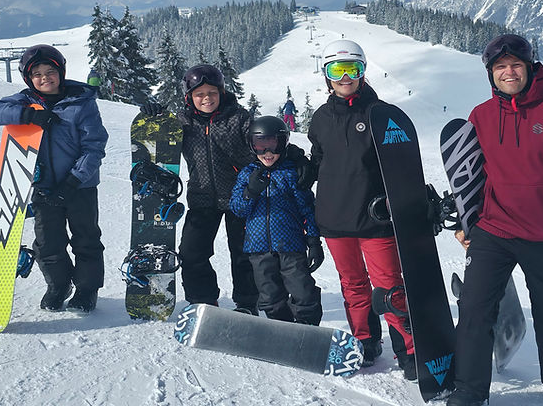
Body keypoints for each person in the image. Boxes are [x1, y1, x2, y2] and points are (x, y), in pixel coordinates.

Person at [446, 34, 543, 406]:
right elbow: (471, 174)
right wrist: (464, 217)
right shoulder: (481, 115)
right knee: (475, 308)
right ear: (491, 75)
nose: (508, 72)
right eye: (500, 68)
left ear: (530, 68)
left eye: (515, 65)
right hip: (494, 230)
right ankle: (470, 389)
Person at [308, 39, 417, 378]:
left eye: (351, 69)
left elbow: (402, 165)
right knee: (353, 284)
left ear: (363, 71)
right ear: (326, 75)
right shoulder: (321, 118)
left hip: (374, 219)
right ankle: (365, 340)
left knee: (389, 286)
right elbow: (318, 162)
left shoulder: (380, 114)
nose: (344, 77)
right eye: (336, 70)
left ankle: (409, 349)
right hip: (334, 218)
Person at [0, 44, 108, 313]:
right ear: (29, 79)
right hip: (43, 187)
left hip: (80, 187)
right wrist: (27, 114)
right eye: (37, 74)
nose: (45, 78)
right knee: (47, 243)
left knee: (85, 239)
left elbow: (95, 146)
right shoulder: (26, 100)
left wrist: (74, 181)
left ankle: (86, 290)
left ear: (61, 72)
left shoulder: (81, 102)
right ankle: (58, 286)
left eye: (50, 71)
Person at [174, 64, 260, 312]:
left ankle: (247, 302)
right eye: (199, 94)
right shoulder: (184, 121)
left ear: (221, 92)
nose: (207, 99)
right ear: (189, 96)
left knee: (243, 253)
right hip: (202, 197)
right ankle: (203, 299)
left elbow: (262, 146)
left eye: (212, 92)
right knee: (192, 252)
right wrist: (155, 116)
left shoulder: (239, 118)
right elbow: (163, 141)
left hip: (240, 197)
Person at [229, 116, 324, 323]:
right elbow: (237, 209)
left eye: (273, 145)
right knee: (269, 295)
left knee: (302, 290)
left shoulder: (291, 173)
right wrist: (250, 192)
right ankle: (281, 328)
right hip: (258, 249)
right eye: (260, 146)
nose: (267, 153)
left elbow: (307, 208)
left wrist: (314, 241)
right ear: (252, 146)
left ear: (284, 143)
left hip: (291, 246)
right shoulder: (247, 175)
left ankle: (308, 328)